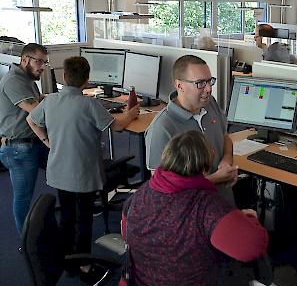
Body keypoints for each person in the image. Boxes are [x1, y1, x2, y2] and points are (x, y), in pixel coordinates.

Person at [121, 130, 268, 286]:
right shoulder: (209, 208)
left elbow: (127, 233)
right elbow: (253, 248)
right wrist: (250, 220)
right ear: (205, 162)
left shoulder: (138, 197)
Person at [26, 56, 138, 269]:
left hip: (59, 172)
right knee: (84, 218)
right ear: (87, 80)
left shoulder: (50, 101)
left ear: (64, 76)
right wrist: (131, 114)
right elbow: (118, 127)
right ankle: (84, 266)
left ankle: (67, 261)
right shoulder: (90, 104)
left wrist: (46, 141)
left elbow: (31, 120)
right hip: (84, 173)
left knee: (67, 216)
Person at [145, 55, 238, 201]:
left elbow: (225, 137)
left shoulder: (210, 103)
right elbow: (162, 190)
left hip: (223, 203)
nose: (208, 89)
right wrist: (215, 179)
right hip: (192, 214)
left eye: (209, 81)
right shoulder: (162, 127)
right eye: (200, 83)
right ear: (179, 85)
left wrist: (226, 160)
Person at [0, 43, 50, 233]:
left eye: (44, 62)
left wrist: (55, 100)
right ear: (24, 59)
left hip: (34, 142)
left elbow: (37, 101)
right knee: (23, 197)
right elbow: (36, 112)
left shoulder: (26, 78)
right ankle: (26, 241)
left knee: (63, 170)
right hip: (19, 148)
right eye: (39, 61)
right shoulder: (14, 80)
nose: (42, 67)